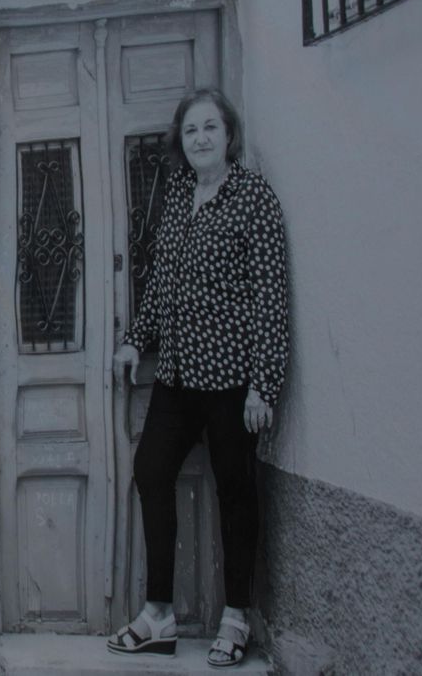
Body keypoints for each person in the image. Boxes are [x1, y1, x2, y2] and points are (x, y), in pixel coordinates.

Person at [104, 88, 290, 669]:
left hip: (234, 378)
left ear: (229, 135)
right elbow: (161, 282)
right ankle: (158, 614)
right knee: (150, 471)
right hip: (179, 373)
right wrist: (137, 338)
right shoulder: (181, 194)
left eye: (211, 128)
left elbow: (270, 293)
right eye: (191, 131)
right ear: (181, 144)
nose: (202, 138)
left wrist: (265, 382)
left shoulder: (253, 197)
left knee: (236, 495)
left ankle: (235, 616)